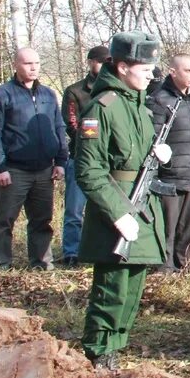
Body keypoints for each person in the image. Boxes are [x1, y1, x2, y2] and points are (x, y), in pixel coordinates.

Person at [76, 31, 167, 369]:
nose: (151, 74)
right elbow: (88, 171)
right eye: (145, 67)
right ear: (123, 66)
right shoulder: (103, 107)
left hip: (141, 207)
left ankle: (116, 346)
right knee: (111, 287)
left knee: (132, 285)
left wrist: (156, 154)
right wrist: (118, 213)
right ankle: (99, 351)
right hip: (114, 207)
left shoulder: (138, 106)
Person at [0, 47, 68, 270]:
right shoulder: (0, 96)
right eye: (27, 64)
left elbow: (59, 128)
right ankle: (0, 264)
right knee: (5, 221)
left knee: (42, 221)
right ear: (15, 65)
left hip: (45, 170)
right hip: (13, 170)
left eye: (36, 63)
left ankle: (42, 263)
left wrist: (61, 161)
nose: (33, 68)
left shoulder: (48, 95)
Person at [146, 53, 190, 273]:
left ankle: (182, 267)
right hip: (169, 178)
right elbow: (152, 139)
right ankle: (164, 269)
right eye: (188, 71)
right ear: (173, 71)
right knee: (167, 227)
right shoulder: (159, 100)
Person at [58, 44, 110, 266]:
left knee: (105, 209)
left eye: (109, 62)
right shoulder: (75, 91)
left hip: (107, 162)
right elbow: (72, 125)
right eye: (102, 62)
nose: (106, 66)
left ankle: (99, 252)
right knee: (74, 210)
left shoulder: (113, 91)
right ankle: (72, 253)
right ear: (91, 62)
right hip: (80, 158)